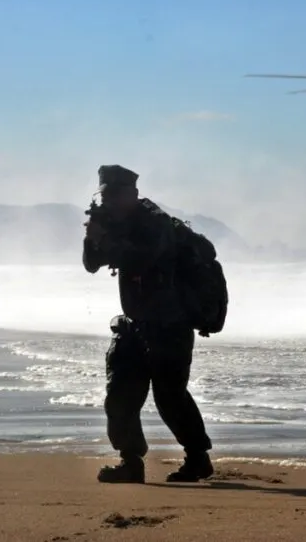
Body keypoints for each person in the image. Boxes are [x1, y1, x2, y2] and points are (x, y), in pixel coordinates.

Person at [82, 164, 214, 484]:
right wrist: (93, 237)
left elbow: (141, 259)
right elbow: (91, 265)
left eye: (116, 194)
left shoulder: (156, 225)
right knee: (120, 395)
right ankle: (130, 461)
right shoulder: (116, 224)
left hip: (169, 326)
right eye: (106, 194)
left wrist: (109, 240)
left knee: (170, 397)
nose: (110, 200)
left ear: (133, 194)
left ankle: (197, 458)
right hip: (135, 324)